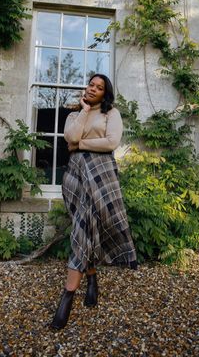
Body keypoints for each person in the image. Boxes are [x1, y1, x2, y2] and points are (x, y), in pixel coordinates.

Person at [50, 74, 137, 330]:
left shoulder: (112, 113)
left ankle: (67, 298)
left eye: (99, 87)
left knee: (85, 230)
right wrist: (85, 112)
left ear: (104, 93)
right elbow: (69, 136)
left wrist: (81, 144)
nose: (94, 89)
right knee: (84, 228)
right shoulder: (75, 114)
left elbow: (111, 142)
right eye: (91, 84)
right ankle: (91, 279)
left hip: (101, 175)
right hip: (75, 177)